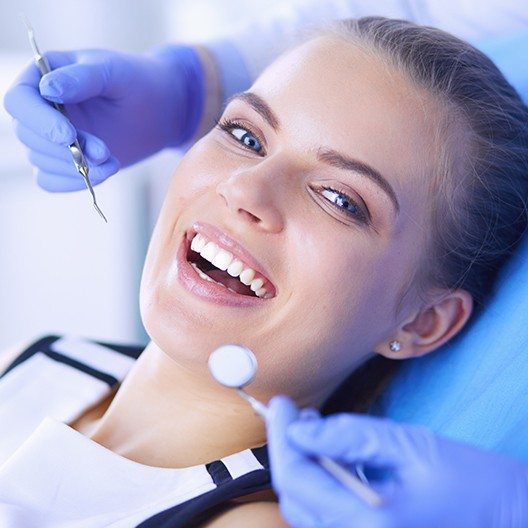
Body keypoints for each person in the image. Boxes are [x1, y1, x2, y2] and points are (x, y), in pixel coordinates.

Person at [3, 13, 528, 528]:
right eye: (245, 136)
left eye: (339, 198)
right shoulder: (38, 360)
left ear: (422, 322)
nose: (246, 189)